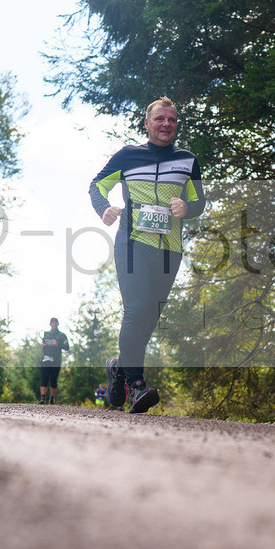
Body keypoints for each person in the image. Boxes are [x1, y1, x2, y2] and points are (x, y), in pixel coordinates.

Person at [88, 97, 205, 413]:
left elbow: (199, 201)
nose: (166, 124)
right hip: (132, 243)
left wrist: (187, 207)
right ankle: (136, 387)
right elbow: (97, 185)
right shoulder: (128, 155)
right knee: (136, 308)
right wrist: (104, 209)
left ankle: (119, 369)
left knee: (149, 319)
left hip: (169, 251)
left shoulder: (187, 161)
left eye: (172, 119)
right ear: (147, 123)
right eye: (160, 119)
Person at [39, 317, 69, 404]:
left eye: (55, 322)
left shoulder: (62, 335)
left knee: (53, 380)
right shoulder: (46, 334)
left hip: (56, 360)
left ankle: (52, 399)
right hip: (46, 359)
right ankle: (43, 399)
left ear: (58, 323)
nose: (54, 324)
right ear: (50, 324)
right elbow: (43, 343)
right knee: (44, 378)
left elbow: (67, 347)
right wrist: (42, 345)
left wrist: (58, 344)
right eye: (52, 322)